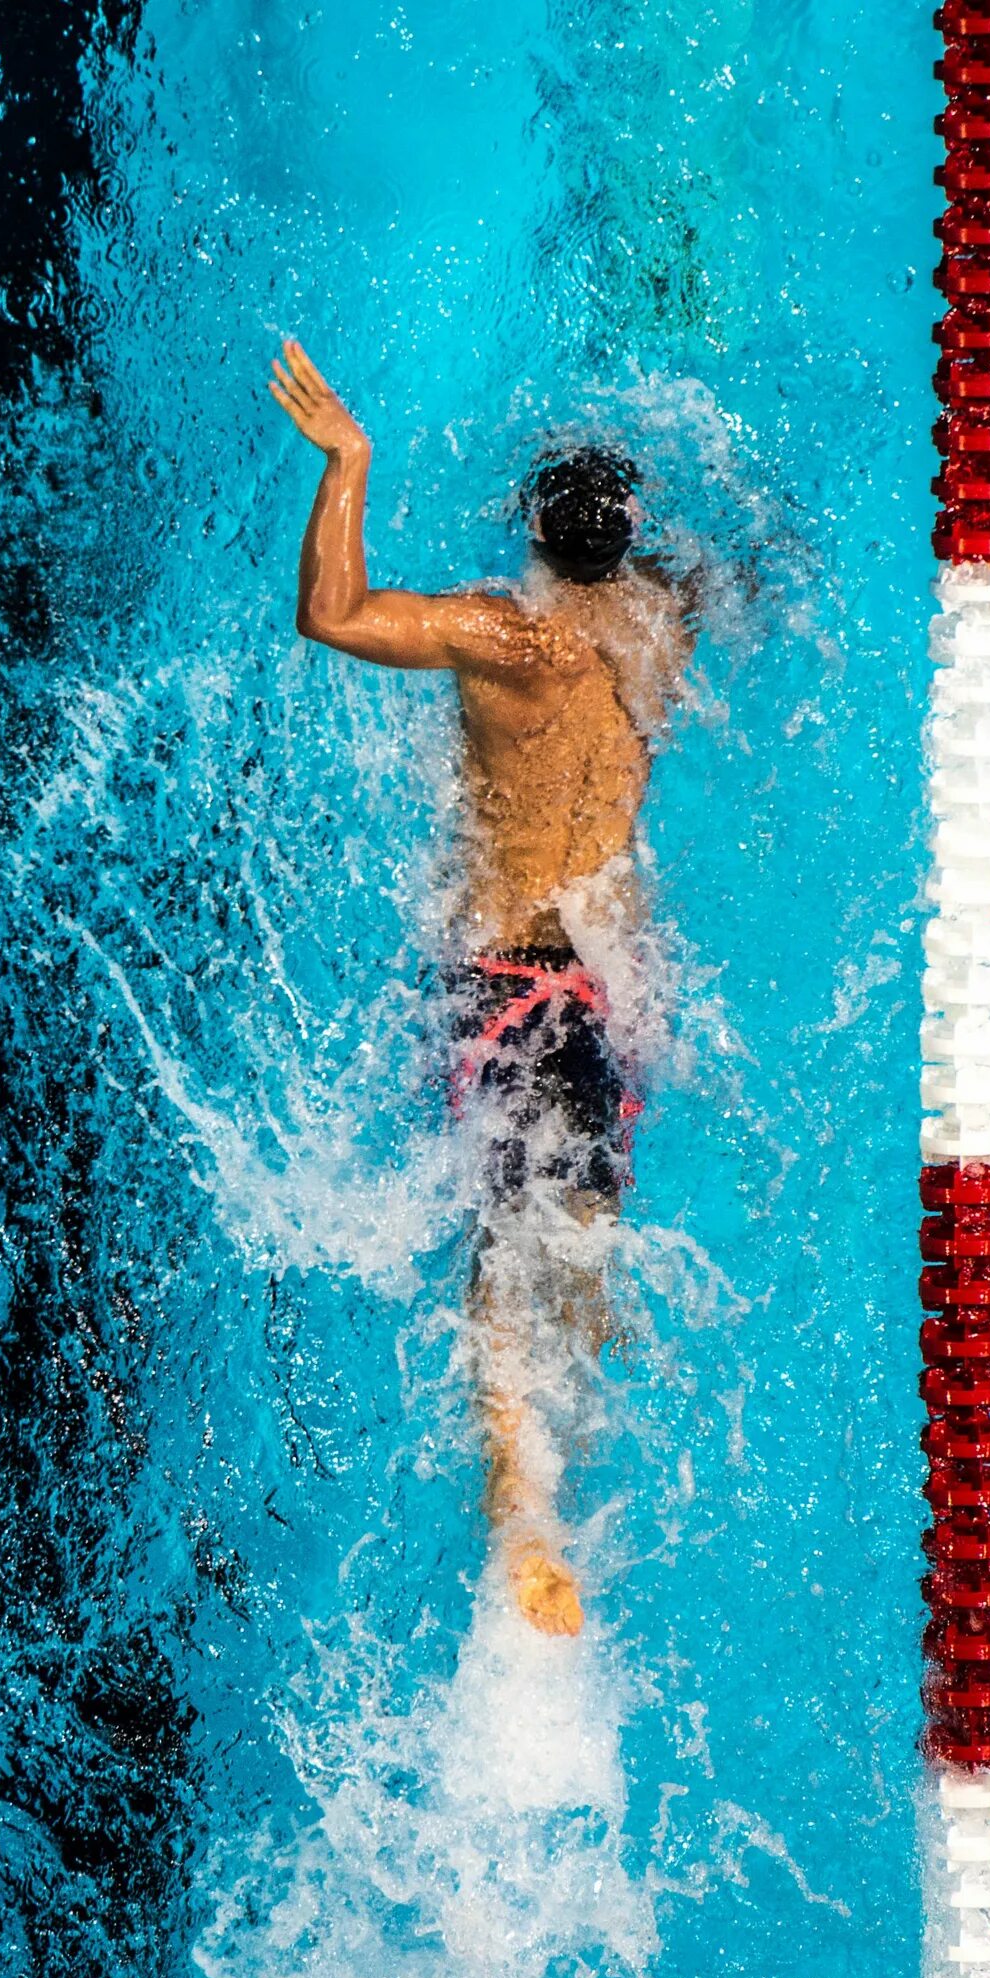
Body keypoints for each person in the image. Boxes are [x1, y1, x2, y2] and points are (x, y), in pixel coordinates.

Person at [266, 336, 690, 1637]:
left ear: (536, 541)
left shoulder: (511, 638)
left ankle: (529, 1526)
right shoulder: (659, 623)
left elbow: (332, 613)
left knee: (498, 1266)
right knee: (587, 1226)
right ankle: (598, 1441)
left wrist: (349, 461)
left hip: (507, 973)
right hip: (617, 975)